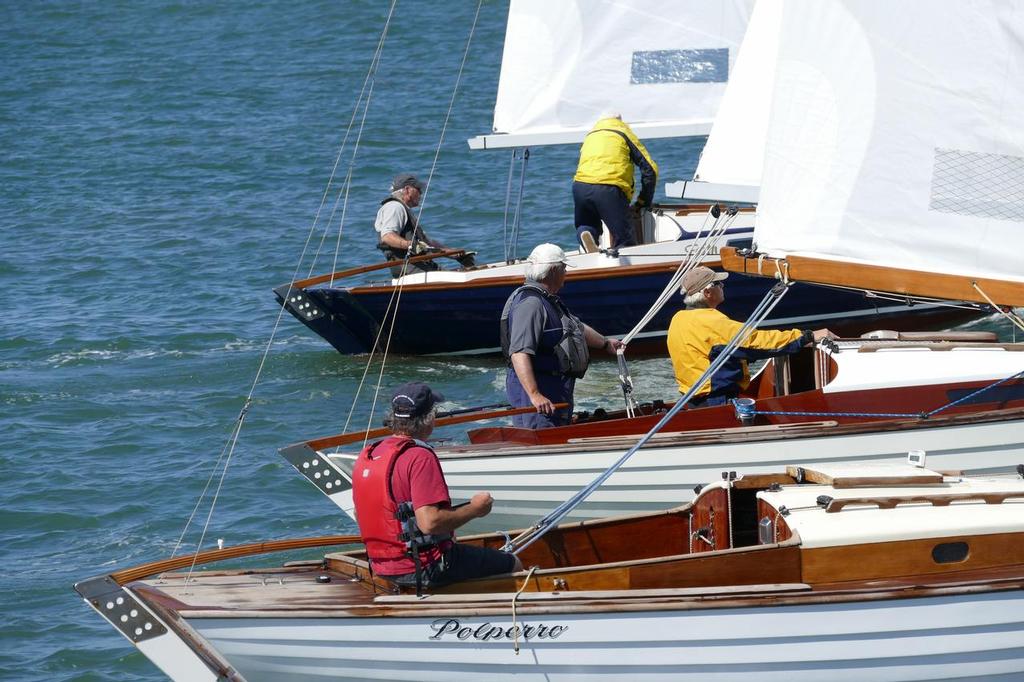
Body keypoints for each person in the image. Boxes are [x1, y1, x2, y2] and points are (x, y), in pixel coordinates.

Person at [352, 381, 522, 590]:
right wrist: (476, 509)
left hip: (381, 566)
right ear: (430, 418)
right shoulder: (419, 456)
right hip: (424, 566)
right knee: (513, 564)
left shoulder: (369, 453)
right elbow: (430, 522)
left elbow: (362, 514)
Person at [667, 266, 835, 407]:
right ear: (707, 292)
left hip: (692, 402)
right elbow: (758, 342)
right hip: (717, 402)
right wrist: (807, 336)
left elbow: (707, 354)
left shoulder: (678, 319)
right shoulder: (712, 322)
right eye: (719, 284)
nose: (723, 286)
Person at [500, 243, 623, 428]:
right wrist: (535, 394)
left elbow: (576, 327)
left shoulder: (548, 300)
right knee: (541, 441)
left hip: (556, 388)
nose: (566, 273)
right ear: (553, 271)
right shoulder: (530, 304)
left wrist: (606, 344)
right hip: (540, 393)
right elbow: (519, 353)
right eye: (564, 268)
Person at [572, 114, 659, 250]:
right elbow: (651, 169)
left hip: (580, 186)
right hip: (608, 188)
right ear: (620, 121)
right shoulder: (622, 132)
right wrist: (643, 201)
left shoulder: (591, 135)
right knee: (625, 240)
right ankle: (625, 268)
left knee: (587, 224)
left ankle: (586, 233)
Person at [374, 173, 476, 277]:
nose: (421, 192)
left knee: (465, 274)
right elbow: (387, 236)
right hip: (410, 271)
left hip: (421, 267)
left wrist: (454, 254)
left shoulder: (403, 209)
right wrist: (410, 245)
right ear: (407, 189)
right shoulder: (394, 207)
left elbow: (427, 243)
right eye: (418, 189)